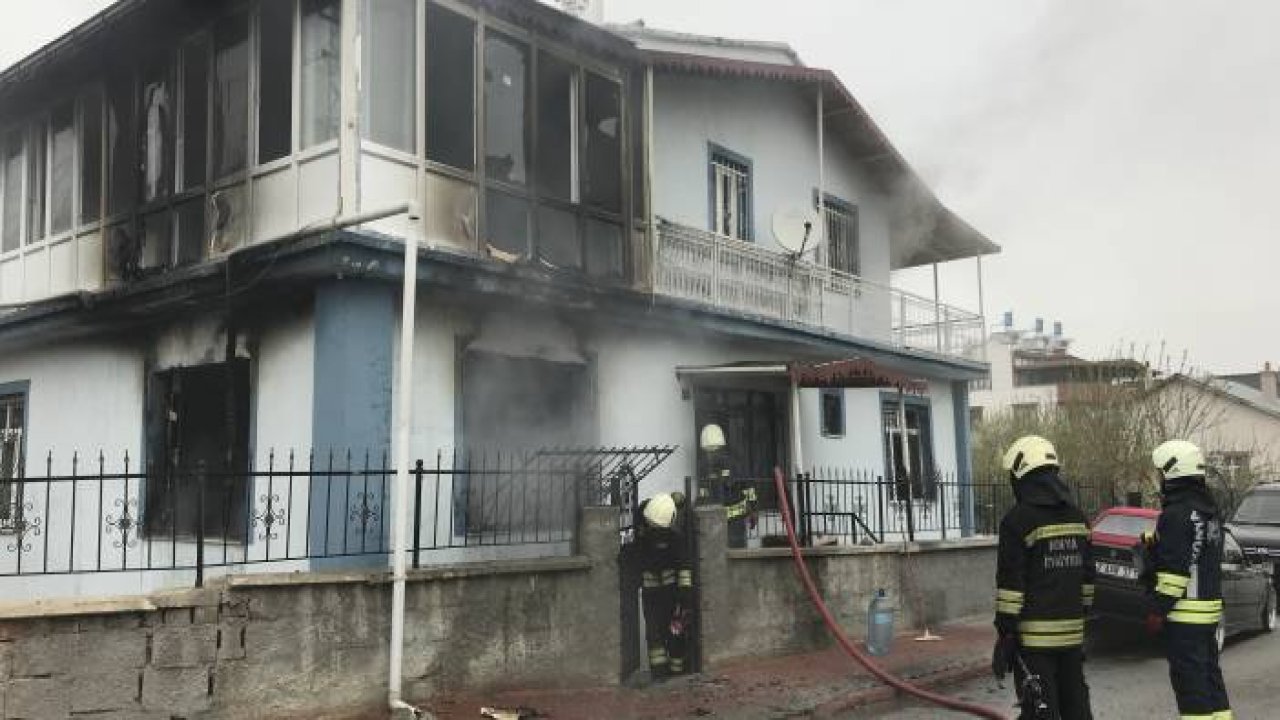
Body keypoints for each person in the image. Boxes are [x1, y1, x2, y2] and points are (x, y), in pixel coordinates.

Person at [992, 435, 1094, 720]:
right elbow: (1088, 579)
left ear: (1021, 476)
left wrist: (1006, 634)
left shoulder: (1017, 521)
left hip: (1034, 643)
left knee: (1039, 711)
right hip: (1073, 639)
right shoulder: (1078, 517)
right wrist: (1079, 614)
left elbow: (1011, 585)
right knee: (1076, 709)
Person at [1145, 440, 1232, 720]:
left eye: (1161, 472)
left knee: (1191, 688)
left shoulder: (1176, 513)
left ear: (1172, 471)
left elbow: (1174, 573)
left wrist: (1158, 611)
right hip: (1208, 613)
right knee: (1210, 680)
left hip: (1184, 616)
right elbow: (1198, 554)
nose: (1160, 478)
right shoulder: (1209, 511)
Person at [636, 491, 695, 678]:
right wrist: (685, 595)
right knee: (672, 633)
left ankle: (660, 674)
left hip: (653, 596)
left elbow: (647, 508)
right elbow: (684, 566)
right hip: (668, 595)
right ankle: (673, 672)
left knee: (657, 635)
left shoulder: (643, 532)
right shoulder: (674, 538)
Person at [697, 423, 758, 547]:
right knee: (728, 552)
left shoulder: (712, 467)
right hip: (722, 519)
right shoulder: (708, 467)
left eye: (712, 452)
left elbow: (747, 487)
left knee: (728, 552)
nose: (711, 456)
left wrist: (753, 510)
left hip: (728, 521)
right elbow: (748, 487)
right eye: (710, 452)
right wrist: (753, 509)